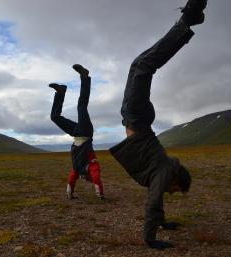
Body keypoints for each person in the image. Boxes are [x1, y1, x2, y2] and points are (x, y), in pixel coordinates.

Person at [109, 0, 207, 250]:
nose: (171, 193)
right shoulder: (165, 172)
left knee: (138, 65)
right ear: (176, 180)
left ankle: (187, 23)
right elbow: (154, 201)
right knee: (144, 66)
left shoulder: (165, 170)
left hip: (133, 117)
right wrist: (150, 238)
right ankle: (188, 20)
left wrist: (164, 224)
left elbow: (157, 198)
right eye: (175, 190)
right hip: (137, 118)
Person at [49, 64, 104, 200]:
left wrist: (69, 193)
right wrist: (99, 193)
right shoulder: (91, 164)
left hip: (76, 132)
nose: (84, 178)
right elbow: (96, 176)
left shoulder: (78, 168)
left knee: (55, 117)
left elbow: (72, 177)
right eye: (86, 177)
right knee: (81, 105)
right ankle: (85, 77)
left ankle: (60, 92)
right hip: (85, 131)